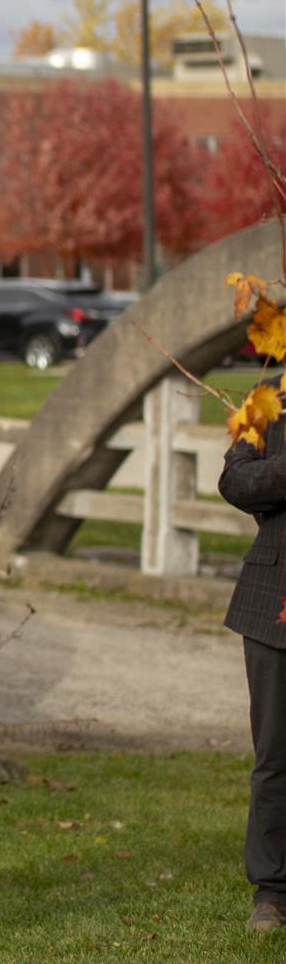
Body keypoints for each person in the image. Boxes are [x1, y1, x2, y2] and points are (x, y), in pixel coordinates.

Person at [218, 378, 286, 932]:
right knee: (275, 755)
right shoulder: (267, 403)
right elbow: (236, 479)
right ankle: (272, 892)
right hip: (273, 600)